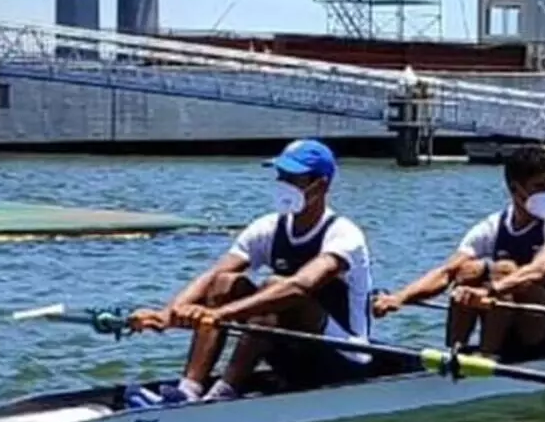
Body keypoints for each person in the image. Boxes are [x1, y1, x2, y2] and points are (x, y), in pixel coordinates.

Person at [126, 138, 374, 406]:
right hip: (288, 350)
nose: (283, 183)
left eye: (293, 177)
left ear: (321, 184)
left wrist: (217, 315)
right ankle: (190, 389)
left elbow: (300, 286)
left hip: (343, 360)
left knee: (275, 287)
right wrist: (169, 313)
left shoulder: (344, 235)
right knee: (224, 284)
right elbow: (214, 274)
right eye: (281, 175)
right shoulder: (267, 227)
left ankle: (225, 393)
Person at [371, 143, 545, 362]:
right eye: (539, 187)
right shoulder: (492, 226)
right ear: (514, 188)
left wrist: (490, 291)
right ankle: (456, 353)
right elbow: (447, 272)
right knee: (467, 271)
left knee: (502, 269)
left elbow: (539, 270)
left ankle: (486, 356)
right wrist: (399, 298)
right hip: (510, 326)